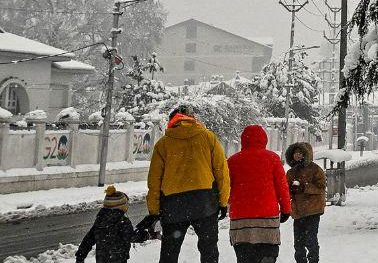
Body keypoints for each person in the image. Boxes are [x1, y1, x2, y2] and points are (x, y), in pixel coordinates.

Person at [141, 105, 231, 263]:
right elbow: (222, 172)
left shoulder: (163, 144)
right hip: (205, 203)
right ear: (192, 118)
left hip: (173, 205)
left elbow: (154, 181)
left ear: (172, 121)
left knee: (170, 252)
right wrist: (223, 202)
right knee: (208, 249)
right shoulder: (208, 137)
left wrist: (154, 211)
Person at [227, 125, 292, 263]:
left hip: (241, 219)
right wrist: (286, 209)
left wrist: (223, 204)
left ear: (243, 140)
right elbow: (282, 187)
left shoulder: (232, 161)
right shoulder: (272, 158)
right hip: (267, 218)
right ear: (264, 139)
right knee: (268, 251)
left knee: (244, 256)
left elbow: (226, 188)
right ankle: (266, 257)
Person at [284, 142, 326, 263]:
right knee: (298, 242)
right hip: (298, 212)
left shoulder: (315, 169)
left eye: (300, 153)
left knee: (310, 240)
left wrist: (304, 187)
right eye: (295, 153)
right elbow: (286, 190)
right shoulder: (291, 172)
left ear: (306, 155)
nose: (297, 155)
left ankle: (313, 260)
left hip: (313, 210)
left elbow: (321, 187)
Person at [75, 186, 137, 263]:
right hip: (119, 259)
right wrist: (144, 235)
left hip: (101, 259)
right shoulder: (123, 222)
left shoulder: (100, 221)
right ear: (121, 206)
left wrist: (80, 256)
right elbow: (132, 237)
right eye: (126, 204)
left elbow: (88, 240)